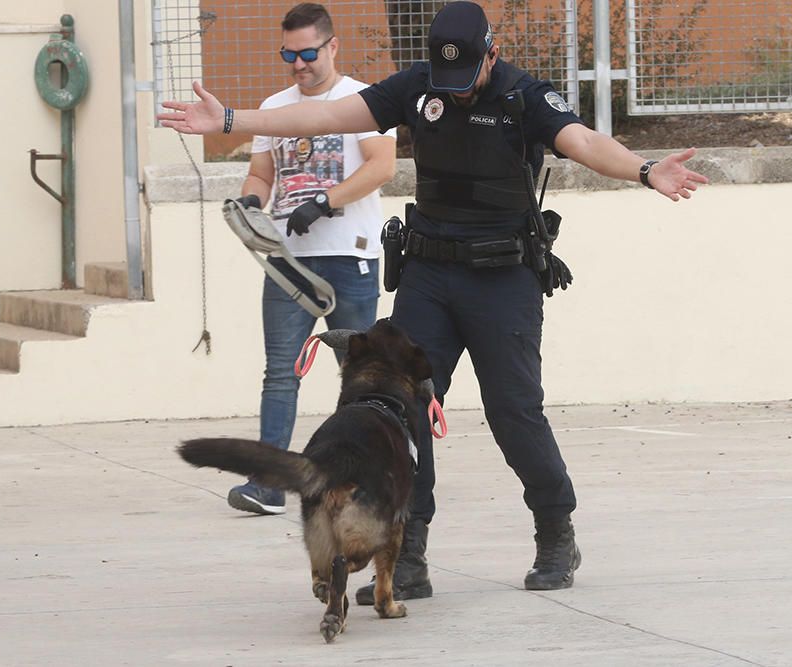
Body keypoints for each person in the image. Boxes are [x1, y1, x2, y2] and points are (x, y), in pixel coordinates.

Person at [158, 0, 708, 599]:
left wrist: (645, 168)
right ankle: (409, 556)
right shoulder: (419, 87)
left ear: (490, 54)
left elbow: (581, 141)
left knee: (514, 412)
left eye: (467, 75)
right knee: (397, 407)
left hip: (503, 280)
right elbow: (328, 116)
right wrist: (234, 119)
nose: (457, 89)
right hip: (429, 274)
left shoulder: (523, 96)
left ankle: (555, 532)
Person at [224, 3, 397, 516]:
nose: (299, 65)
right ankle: (270, 484)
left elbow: (382, 166)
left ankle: (371, 478)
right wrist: (251, 203)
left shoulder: (364, 100)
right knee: (281, 372)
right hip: (288, 262)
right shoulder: (275, 106)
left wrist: (326, 201)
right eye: (289, 54)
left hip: (351, 255)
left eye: (307, 53)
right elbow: (261, 175)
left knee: (362, 375)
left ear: (332, 46)